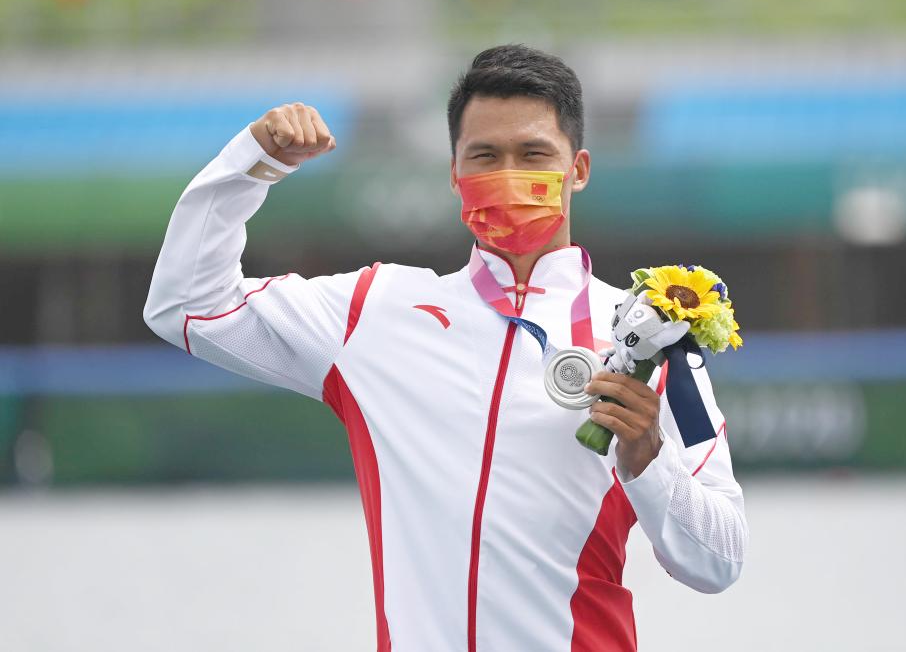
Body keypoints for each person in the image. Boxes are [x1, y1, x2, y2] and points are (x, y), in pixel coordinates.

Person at [143, 44, 748, 652]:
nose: (508, 175)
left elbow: (719, 561)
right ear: (455, 174)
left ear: (579, 169)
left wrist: (648, 459)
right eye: (485, 156)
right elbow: (186, 306)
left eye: (533, 154)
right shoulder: (373, 311)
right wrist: (252, 163)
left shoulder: (655, 339)